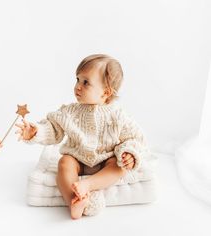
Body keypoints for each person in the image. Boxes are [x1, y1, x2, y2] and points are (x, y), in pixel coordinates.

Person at [16, 54, 149, 219]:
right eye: (77, 79)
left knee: (119, 166)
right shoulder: (70, 112)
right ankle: (74, 201)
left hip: (105, 159)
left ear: (105, 92)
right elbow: (53, 128)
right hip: (78, 158)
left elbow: (135, 137)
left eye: (85, 82)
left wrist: (128, 152)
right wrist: (37, 132)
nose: (77, 86)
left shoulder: (117, 115)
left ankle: (88, 185)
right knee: (64, 162)